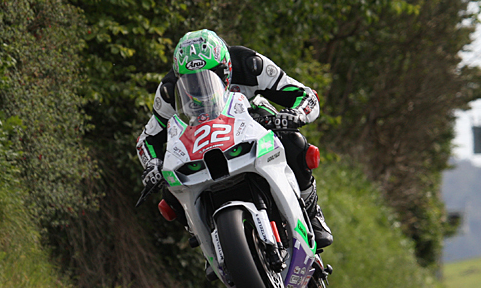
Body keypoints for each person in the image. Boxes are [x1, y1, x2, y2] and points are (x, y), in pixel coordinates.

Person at [136, 29, 333, 249]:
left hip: (252, 121)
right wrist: (152, 164)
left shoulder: (250, 65)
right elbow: (147, 138)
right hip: (199, 140)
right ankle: (204, 235)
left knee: (294, 142)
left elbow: (305, 95)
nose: (201, 87)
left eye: (211, 75)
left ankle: (312, 211)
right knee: (170, 191)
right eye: (190, 81)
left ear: (226, 67)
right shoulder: (168, 91)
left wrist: (295, 114)